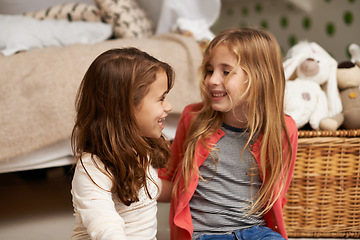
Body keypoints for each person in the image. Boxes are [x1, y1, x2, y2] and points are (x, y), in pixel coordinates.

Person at [158, 27, 298, 240]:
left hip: (256, 232)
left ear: (259, 77)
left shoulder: (283, 130)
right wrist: (134, 182)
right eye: (209, 70)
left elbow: (279, 194)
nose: (212, 80)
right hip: (206, 234)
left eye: (226, 71)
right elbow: (169, 179)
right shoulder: (193, 118)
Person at [71, 47, 174, 239]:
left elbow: (152, 188)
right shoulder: (93, 168)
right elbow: (105, 227)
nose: (169, 106)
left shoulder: (144, 149)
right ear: (125, 108)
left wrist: (187, 188)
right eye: (161, 99)